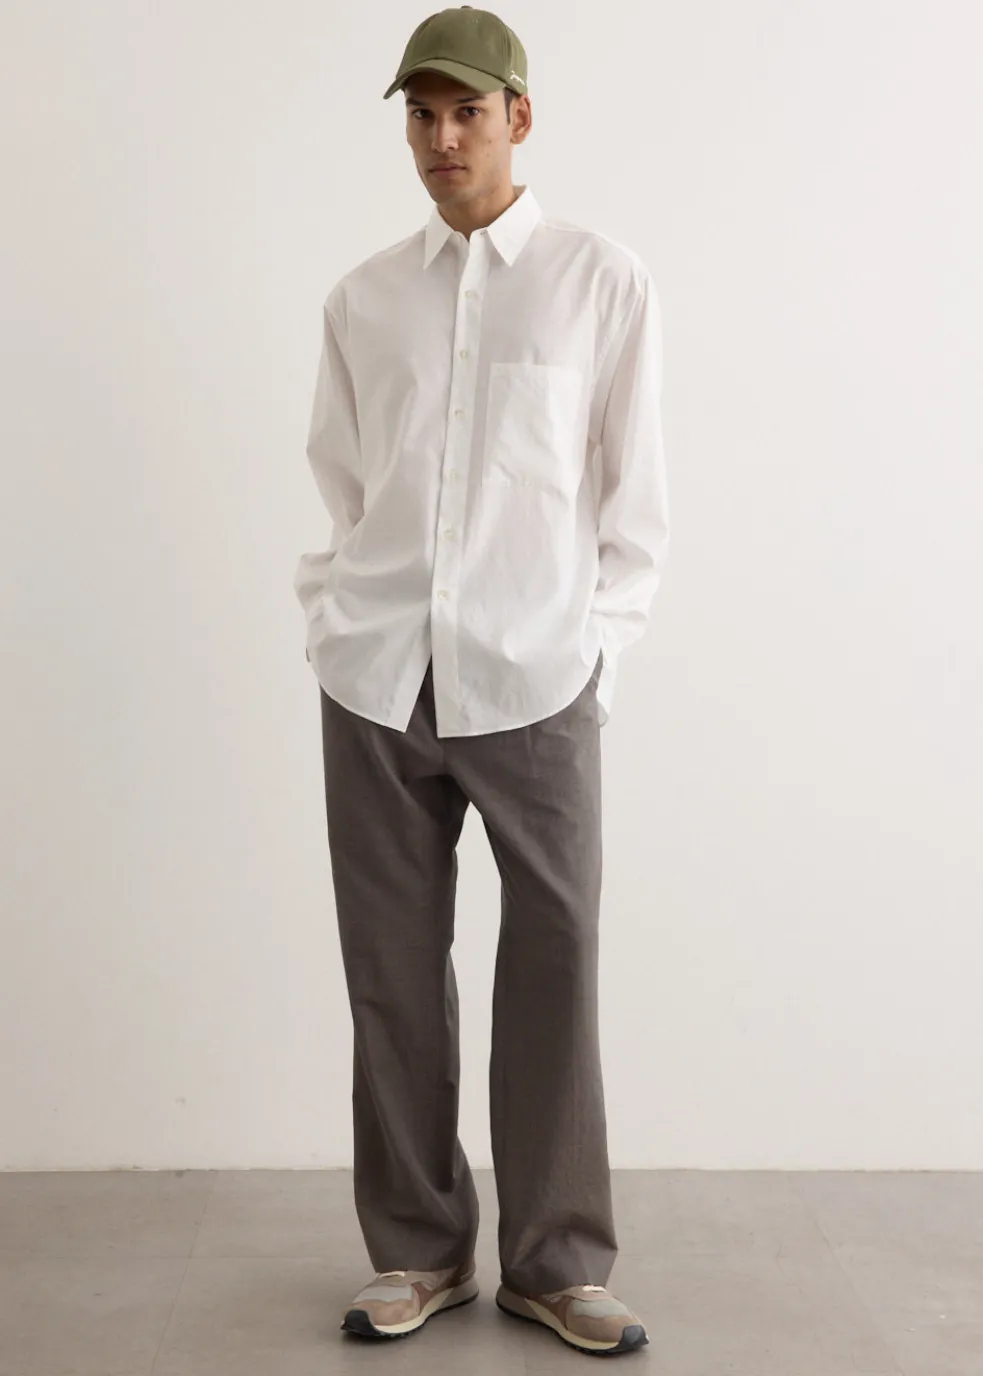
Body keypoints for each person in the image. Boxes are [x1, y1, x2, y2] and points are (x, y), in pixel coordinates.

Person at [294, 4, 669, 1358]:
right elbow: (343, 486)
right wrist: (335, 618)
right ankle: (417, 1251)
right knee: (392, 974)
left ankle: (557, 1263)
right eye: (422, 113)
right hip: (378, 679)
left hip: (537, 678)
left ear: (519, 117)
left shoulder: (599, 282)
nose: (442, 136)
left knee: (556, 962)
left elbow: (634, 501)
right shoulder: (362, 299)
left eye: (467, 111)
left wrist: (595, 652)